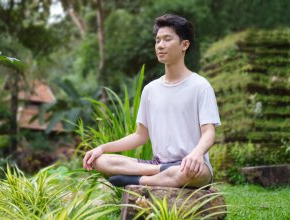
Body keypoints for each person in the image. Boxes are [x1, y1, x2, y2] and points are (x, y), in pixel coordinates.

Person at [82, 14, 221, 188]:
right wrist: (102, 148)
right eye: (157, 41)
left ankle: (138, 180)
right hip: (157, 165)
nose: (160, 46)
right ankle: (160, 173)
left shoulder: (200, 86)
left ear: (184, 44)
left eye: (167, 39)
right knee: (101, 161)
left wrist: (197, 154)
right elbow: (140, 136)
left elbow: (209, 132)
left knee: (186, 173)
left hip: (190, 166)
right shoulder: (150, 89)